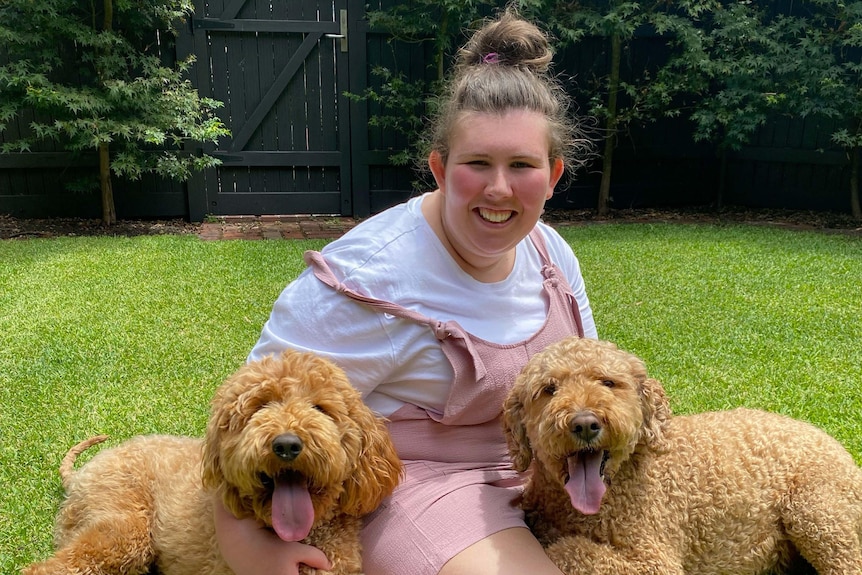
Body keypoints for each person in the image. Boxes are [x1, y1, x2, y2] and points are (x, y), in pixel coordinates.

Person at [213, 7, 598, 575]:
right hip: (425, 487)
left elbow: (593, 386)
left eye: (522, 164)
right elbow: (249, 417)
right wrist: (245, 546)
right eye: (477, 163)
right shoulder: (368, 277)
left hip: (553, 471)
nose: (499, 188)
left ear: (554, 174)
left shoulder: (552, 257)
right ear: (440, 169)